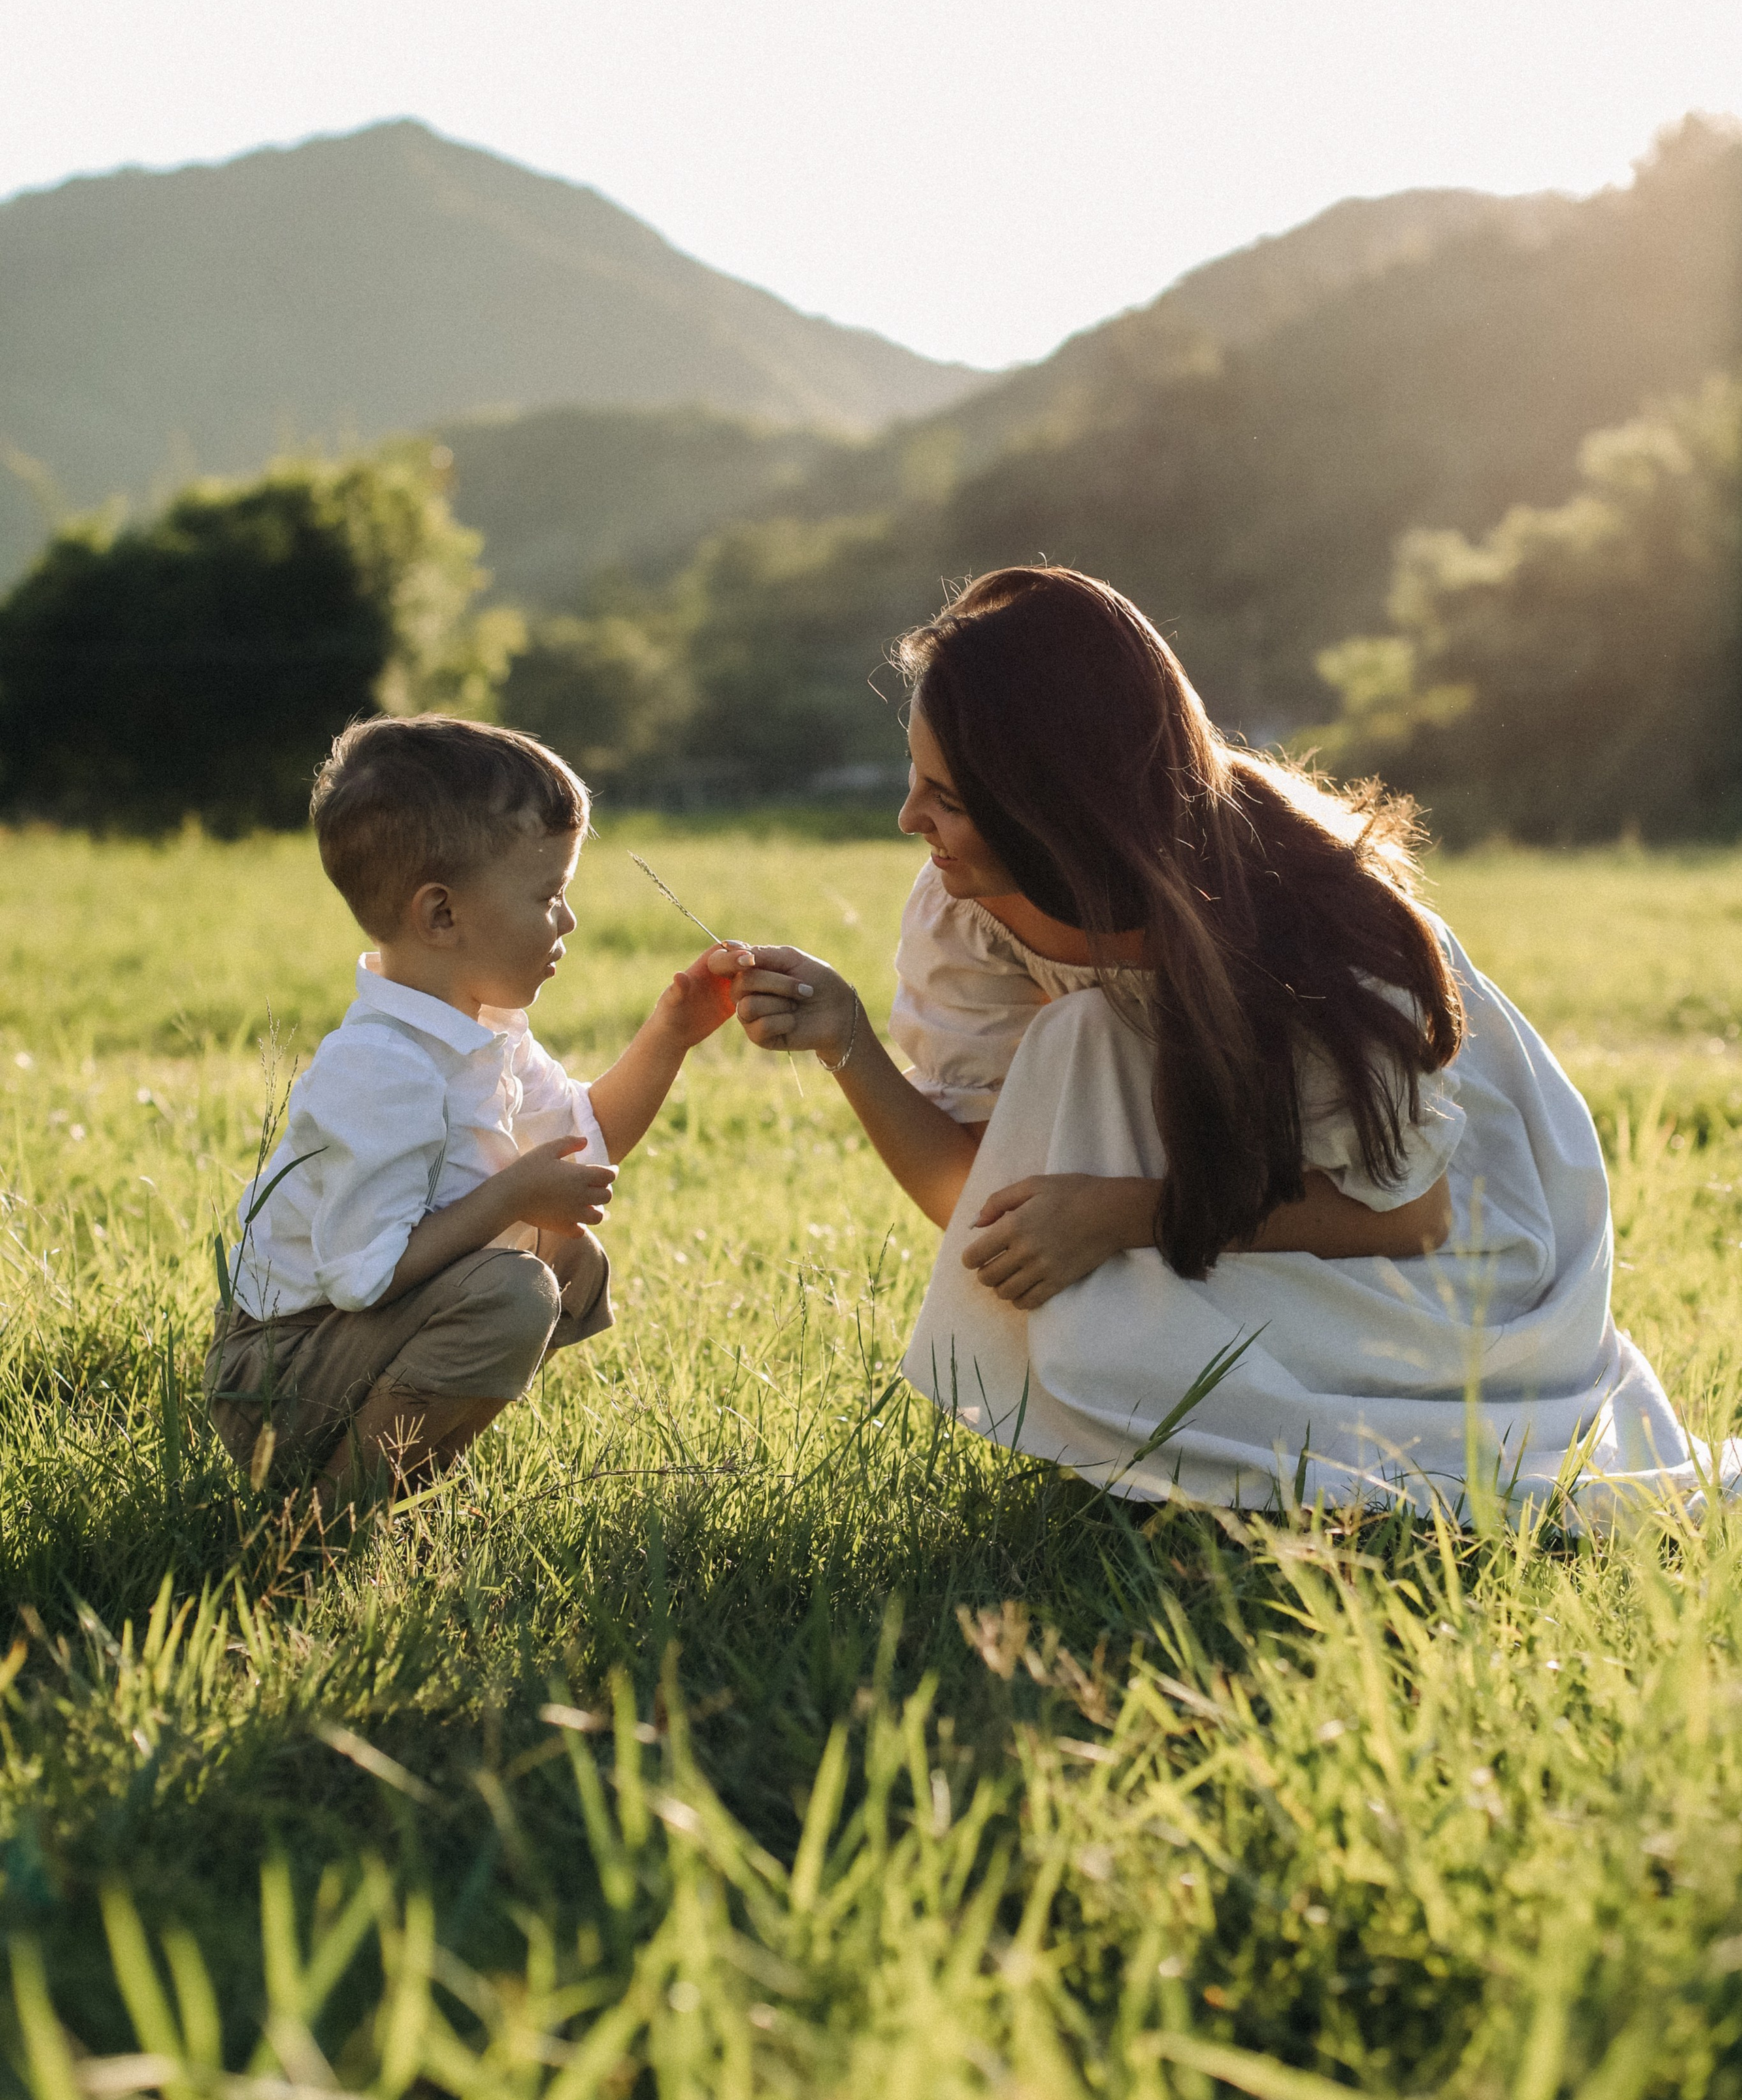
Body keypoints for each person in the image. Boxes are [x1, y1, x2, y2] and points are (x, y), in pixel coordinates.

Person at [732, 566, 1730, 1518]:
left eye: (948, 799)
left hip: (1444, 1250)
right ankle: (1185, 1442)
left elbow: (1410, 1216)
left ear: (1053, 805)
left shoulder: (1312, 918)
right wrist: (847, 1043)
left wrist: (1129, 1214)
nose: (911, 819)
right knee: (1090, 1320)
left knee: (1118, 1345)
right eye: (917, 778)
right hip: (1225, 1205)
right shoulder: (971, 909)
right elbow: (984, 1210)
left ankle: (1280, 1456)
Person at [204, 715, 746, 1507]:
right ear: (442, 916)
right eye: (549, 895)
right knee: (511, 1292)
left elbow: (579, 1145)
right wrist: (512, 1198)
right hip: (278, 1373)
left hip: (345, 1342)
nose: (567, 921)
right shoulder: (382, 1067)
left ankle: (396, 1482)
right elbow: (364, 1275)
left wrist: (674, 1029)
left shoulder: (479, 1034)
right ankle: (315, 1529)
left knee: (568, 1260)